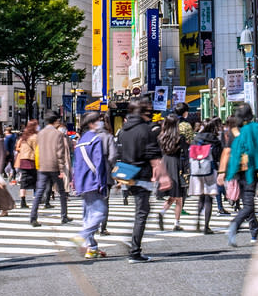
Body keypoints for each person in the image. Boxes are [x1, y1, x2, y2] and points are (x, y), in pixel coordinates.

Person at [114, 106, 161, 262]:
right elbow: (152, 153)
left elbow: (118, 153)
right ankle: (135, 251)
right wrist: (159, 172)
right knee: (142, 212)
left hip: (128, 174)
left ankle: (134, 247)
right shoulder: (145, 130)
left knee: (141, 210)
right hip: (142, 174)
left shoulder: (123, 131)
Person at [71, 111, 113, 259]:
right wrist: (102, 184)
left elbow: (75, 164)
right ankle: (82, 236)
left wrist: (74, 182)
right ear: (91, 124)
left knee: (88, 215)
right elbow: (99, 163)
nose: (100, 123)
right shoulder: (95, 140)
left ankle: (92, 248)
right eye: (98, 121)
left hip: (82, 182)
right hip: (93, 181)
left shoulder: (81, 141)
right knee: (100, 212)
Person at [224, 106, 258, 247]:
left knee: (247, 202)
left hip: (237, 170)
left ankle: (256, 233)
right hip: (250, 170)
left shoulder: (235, 131)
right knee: (249, 204)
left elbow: (228, 151)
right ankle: (234, 225)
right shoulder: (255, 128)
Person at [29, 112, 72, 226]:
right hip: (54, 166)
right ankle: (64, 216)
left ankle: (33, 217)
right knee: (62, 192)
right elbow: (60, 153)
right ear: (56, 121)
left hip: (42, 165)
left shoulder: (40, 133)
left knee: (39, 192)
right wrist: (62, 169)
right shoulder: (58, 134)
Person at [188, 118, 223, 232]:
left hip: (197, 170)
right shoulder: (214, 139)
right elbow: (218, 156)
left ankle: (197, 220)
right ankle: (206, 226)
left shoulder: (197, 138)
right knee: (208, 198)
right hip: (210, 169)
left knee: (201, 198)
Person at [157, 116, 190, 230]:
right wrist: (187, 169)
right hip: (176, 165)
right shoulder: (179, 138)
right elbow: (186, 154)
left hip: (164, 163)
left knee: (175, 195)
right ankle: (176, 222)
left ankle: (164, 213)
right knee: (178, 195)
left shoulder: (161, 137)